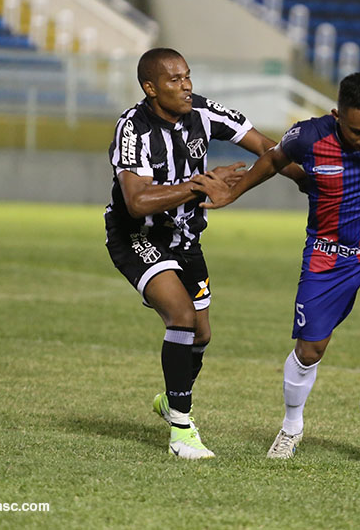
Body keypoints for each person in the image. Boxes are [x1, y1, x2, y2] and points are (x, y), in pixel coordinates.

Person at [193, 72, 360, 459]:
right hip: (327, 255)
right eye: (357, 132)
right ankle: (292, 427)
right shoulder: (308, 137)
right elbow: (274, 158)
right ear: (336, 115)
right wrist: (233, 192)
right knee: (311, 350)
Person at [105, 47, 306, 460]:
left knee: (201, 333)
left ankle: (170, 400)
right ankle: (181, 430)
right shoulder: (133, 127)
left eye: (188, 76)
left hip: (186, 237)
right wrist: (199, 186)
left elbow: (266, 146)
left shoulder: (202, 112)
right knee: (180, 316)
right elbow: (137, 202)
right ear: (150, 88)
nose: (187, 86)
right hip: (137, 235)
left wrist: (304, 179)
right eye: (175, 80)